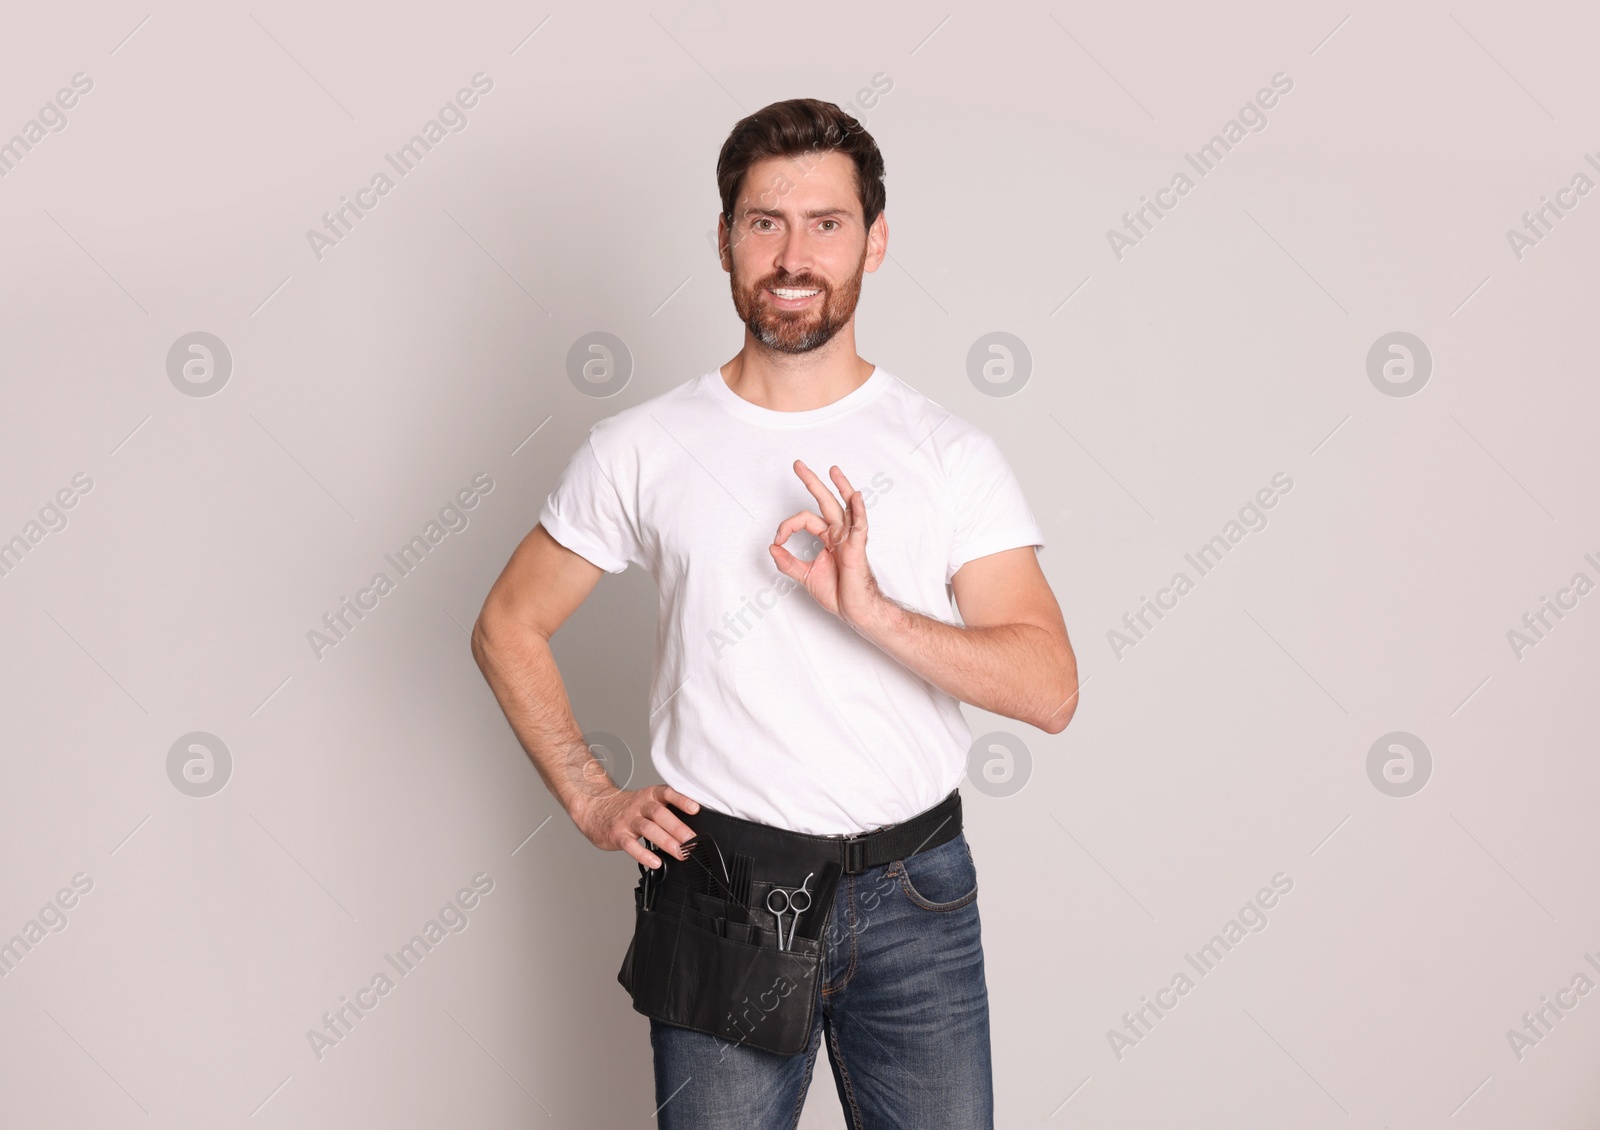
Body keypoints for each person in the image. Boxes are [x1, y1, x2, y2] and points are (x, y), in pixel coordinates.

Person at [472, 97, 1078, 1130]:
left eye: (826, 223)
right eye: (764, 221)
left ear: (874, 241)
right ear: (723, 239)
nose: (794, 255)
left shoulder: (947, 452)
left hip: (915, 897)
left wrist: (874, 611)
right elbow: (507, 625)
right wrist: (590, 794)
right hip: (721, 895)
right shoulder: (642, 446)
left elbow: (1048, 688)